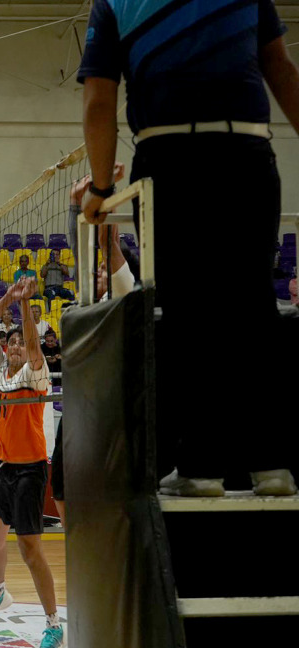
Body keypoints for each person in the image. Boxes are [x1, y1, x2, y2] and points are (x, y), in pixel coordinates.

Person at [79, 0, 299, 497]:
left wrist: (98, 189)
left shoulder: (115, 3)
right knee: (255, 309)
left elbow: (98, 101)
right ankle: (273, 467)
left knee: (185, 316)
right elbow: (282, 70)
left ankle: (202, 469)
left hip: (169, 162)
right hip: (249, 157)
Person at [0, 278, 63, 648]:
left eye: (20, 343)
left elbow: (34, 344)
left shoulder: (35, 374)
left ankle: (54, 625)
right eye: (10, 343)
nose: (14, 346)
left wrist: (24, 305)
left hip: (29, 471)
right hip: (2, 467)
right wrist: (7, 297)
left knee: (30, 550)